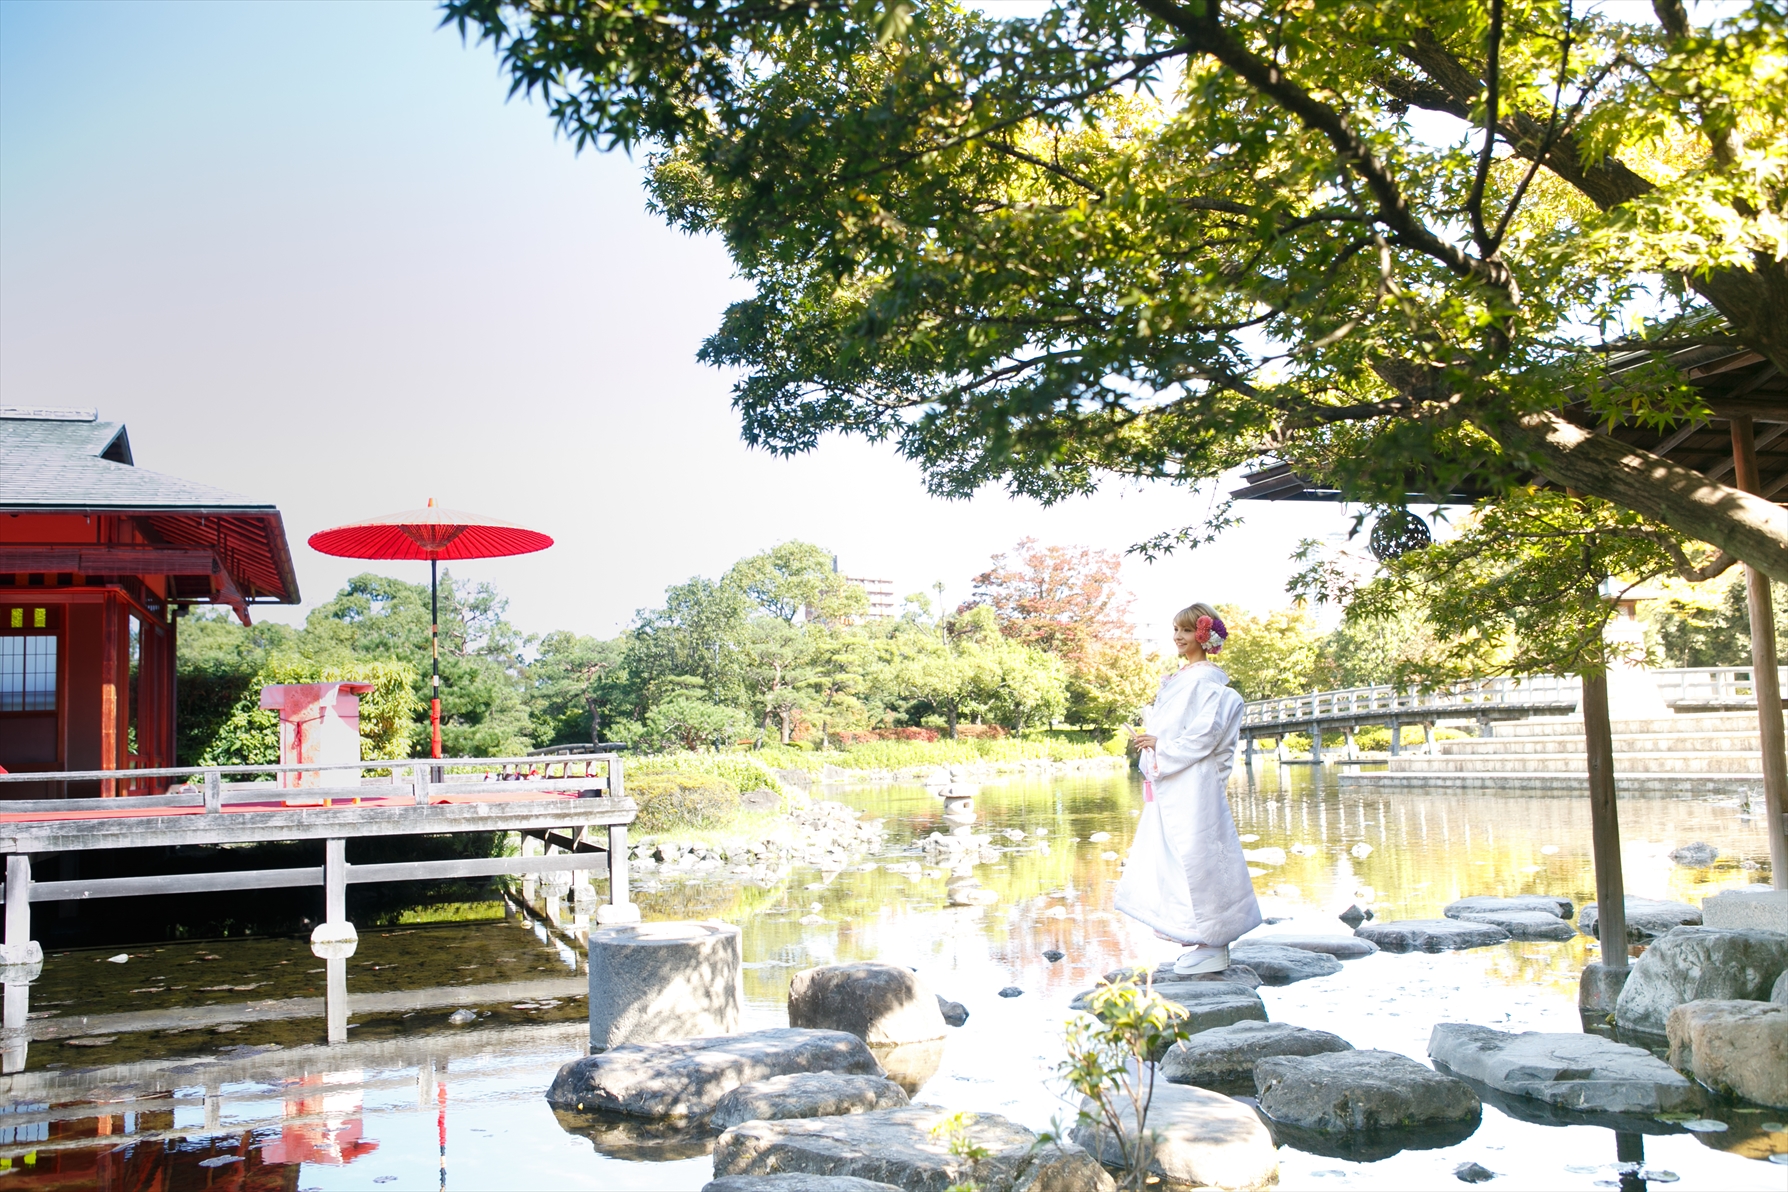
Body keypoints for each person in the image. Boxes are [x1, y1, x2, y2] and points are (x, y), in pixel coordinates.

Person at [1114, 602, 1262, 974]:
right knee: (1183, 857)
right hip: (1180, 779)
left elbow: (1204, 736)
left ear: (1202, 634)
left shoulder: (1205, 682)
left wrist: (1159, 746)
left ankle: (1214, 938)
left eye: (1185, 630)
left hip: (1193, 784)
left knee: (1198, 856)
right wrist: (1153, 744)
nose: (1178, 637)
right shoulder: (1187, 679)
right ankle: (1203, 937)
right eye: (1175, 630)